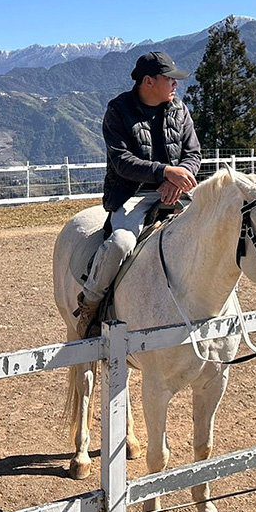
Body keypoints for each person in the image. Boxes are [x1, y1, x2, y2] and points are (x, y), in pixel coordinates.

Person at [74, 51, 202, 329]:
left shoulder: (180, 109)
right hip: (132, 196)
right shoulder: (118, 110)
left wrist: (176, 180)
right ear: (148, 81)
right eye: (169, 79)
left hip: (176, 190)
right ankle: (90, 305)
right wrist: (165, 172)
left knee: (215, 227)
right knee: (121, 244)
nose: (175, 85)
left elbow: (193, 154)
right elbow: (121, 161)